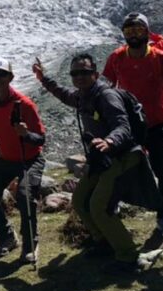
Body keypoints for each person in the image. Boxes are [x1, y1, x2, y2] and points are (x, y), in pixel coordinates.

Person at [33, 53, 151, 274]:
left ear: (95, 74)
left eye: (85, 72)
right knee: (80, 200)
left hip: (121, 156)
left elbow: (123, 125)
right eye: (75, 73)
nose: (79, 77)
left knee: (99, 207)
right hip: (101, 158)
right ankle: (103, 241)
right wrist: (43, 79)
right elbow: (63, 94)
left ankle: (127, 255)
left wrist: (110, 141)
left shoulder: (106, 96)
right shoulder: (82, 96)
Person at [102, 12, 163, 240]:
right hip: (128, 124)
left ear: (147, 32)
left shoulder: (160, 57)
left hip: (157, 123)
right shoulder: (117, 57)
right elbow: (108, 84)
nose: (133, 35)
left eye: (138, 30)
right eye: (129, 31)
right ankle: (112, 207)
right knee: (118, 167)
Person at [0, 58, 45, 264]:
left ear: (10, 77)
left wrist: (25, 134)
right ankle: (7, 236)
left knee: (25, 196)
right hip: (5, 159)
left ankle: (30, 244)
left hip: (30, 159)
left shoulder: (25, 104)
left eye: (2, 74)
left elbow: (41, 139)